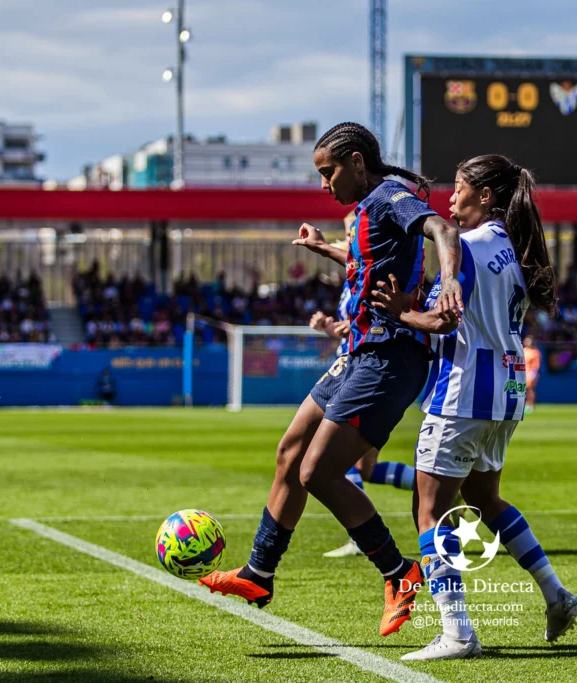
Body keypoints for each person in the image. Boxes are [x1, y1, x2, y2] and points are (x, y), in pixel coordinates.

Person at [200, 122, 464, 639]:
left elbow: (443, 230)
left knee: (317, 472)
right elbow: (367, 261)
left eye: (329, 172)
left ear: (358, 162)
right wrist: (326, 249)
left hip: (389, 356)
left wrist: (449, 277)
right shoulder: (369, 210)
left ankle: (400, 574)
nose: (324, 184)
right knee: (289, 453)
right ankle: (258, 573)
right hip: (358, 353)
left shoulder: (392, 197)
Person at [371, 154, 577, 661]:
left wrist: (403, 312)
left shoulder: (462, 247)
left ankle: (458, 634)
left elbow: (443, 321)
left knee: (430, 510)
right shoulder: (513, 247)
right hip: (506, 391)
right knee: (487, 500)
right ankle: (557, 595)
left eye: (459, 188)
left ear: (485, 196)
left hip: (463, 390)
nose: (450, 198)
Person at [308, 307, 416, 559]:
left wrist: (355, 324)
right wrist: (329, 327)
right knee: (365, 468)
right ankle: (446, 489)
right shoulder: (354, 278)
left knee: (335, 461)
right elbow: (352, 332)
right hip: (358, 372)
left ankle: (359, 537)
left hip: (368, 376)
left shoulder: (372, 273)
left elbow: (383, 324)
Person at [522, 335, 542, 414]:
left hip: (530, 373)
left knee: (530, 389)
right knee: (522, 390)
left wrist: (533, 374)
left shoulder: (535, 352)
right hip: (522, 373)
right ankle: (525, 404)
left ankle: (531, 404)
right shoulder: (523, 350)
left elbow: (536, 365)